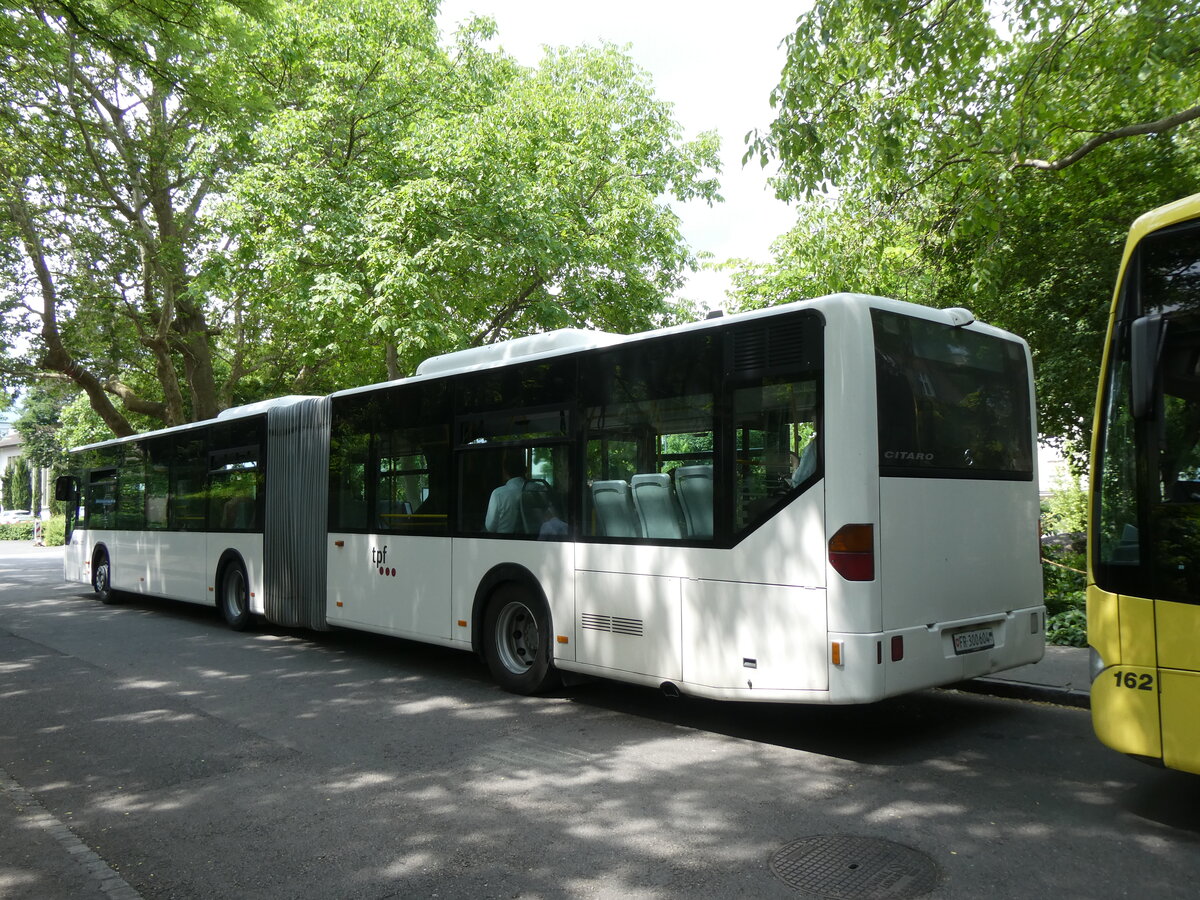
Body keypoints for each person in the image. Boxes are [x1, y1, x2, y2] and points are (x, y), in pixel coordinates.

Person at [485, 450, 526, 533]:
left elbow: (490, 527)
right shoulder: (539, 489)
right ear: (525, 470)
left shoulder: (498, 494)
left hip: (502, 543)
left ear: (505, 471)